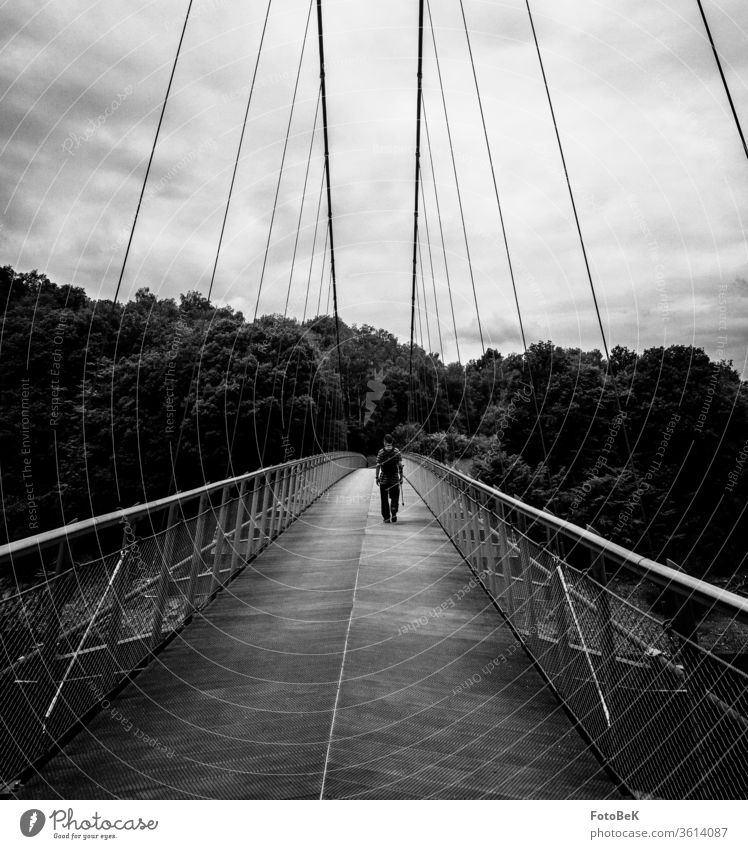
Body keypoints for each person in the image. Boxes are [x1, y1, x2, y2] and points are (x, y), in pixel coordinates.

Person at [375, 434, 403, 523]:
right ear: (392, 442)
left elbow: (378, 466)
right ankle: (394, 513)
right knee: (395, 497)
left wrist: (377, 477)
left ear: (384, 442)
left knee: (384, 499)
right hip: (394, 479)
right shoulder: (396, 451)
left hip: (384, 480)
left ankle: (386, 518)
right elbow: (400, 466)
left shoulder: (381, 452)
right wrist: (401, 477)